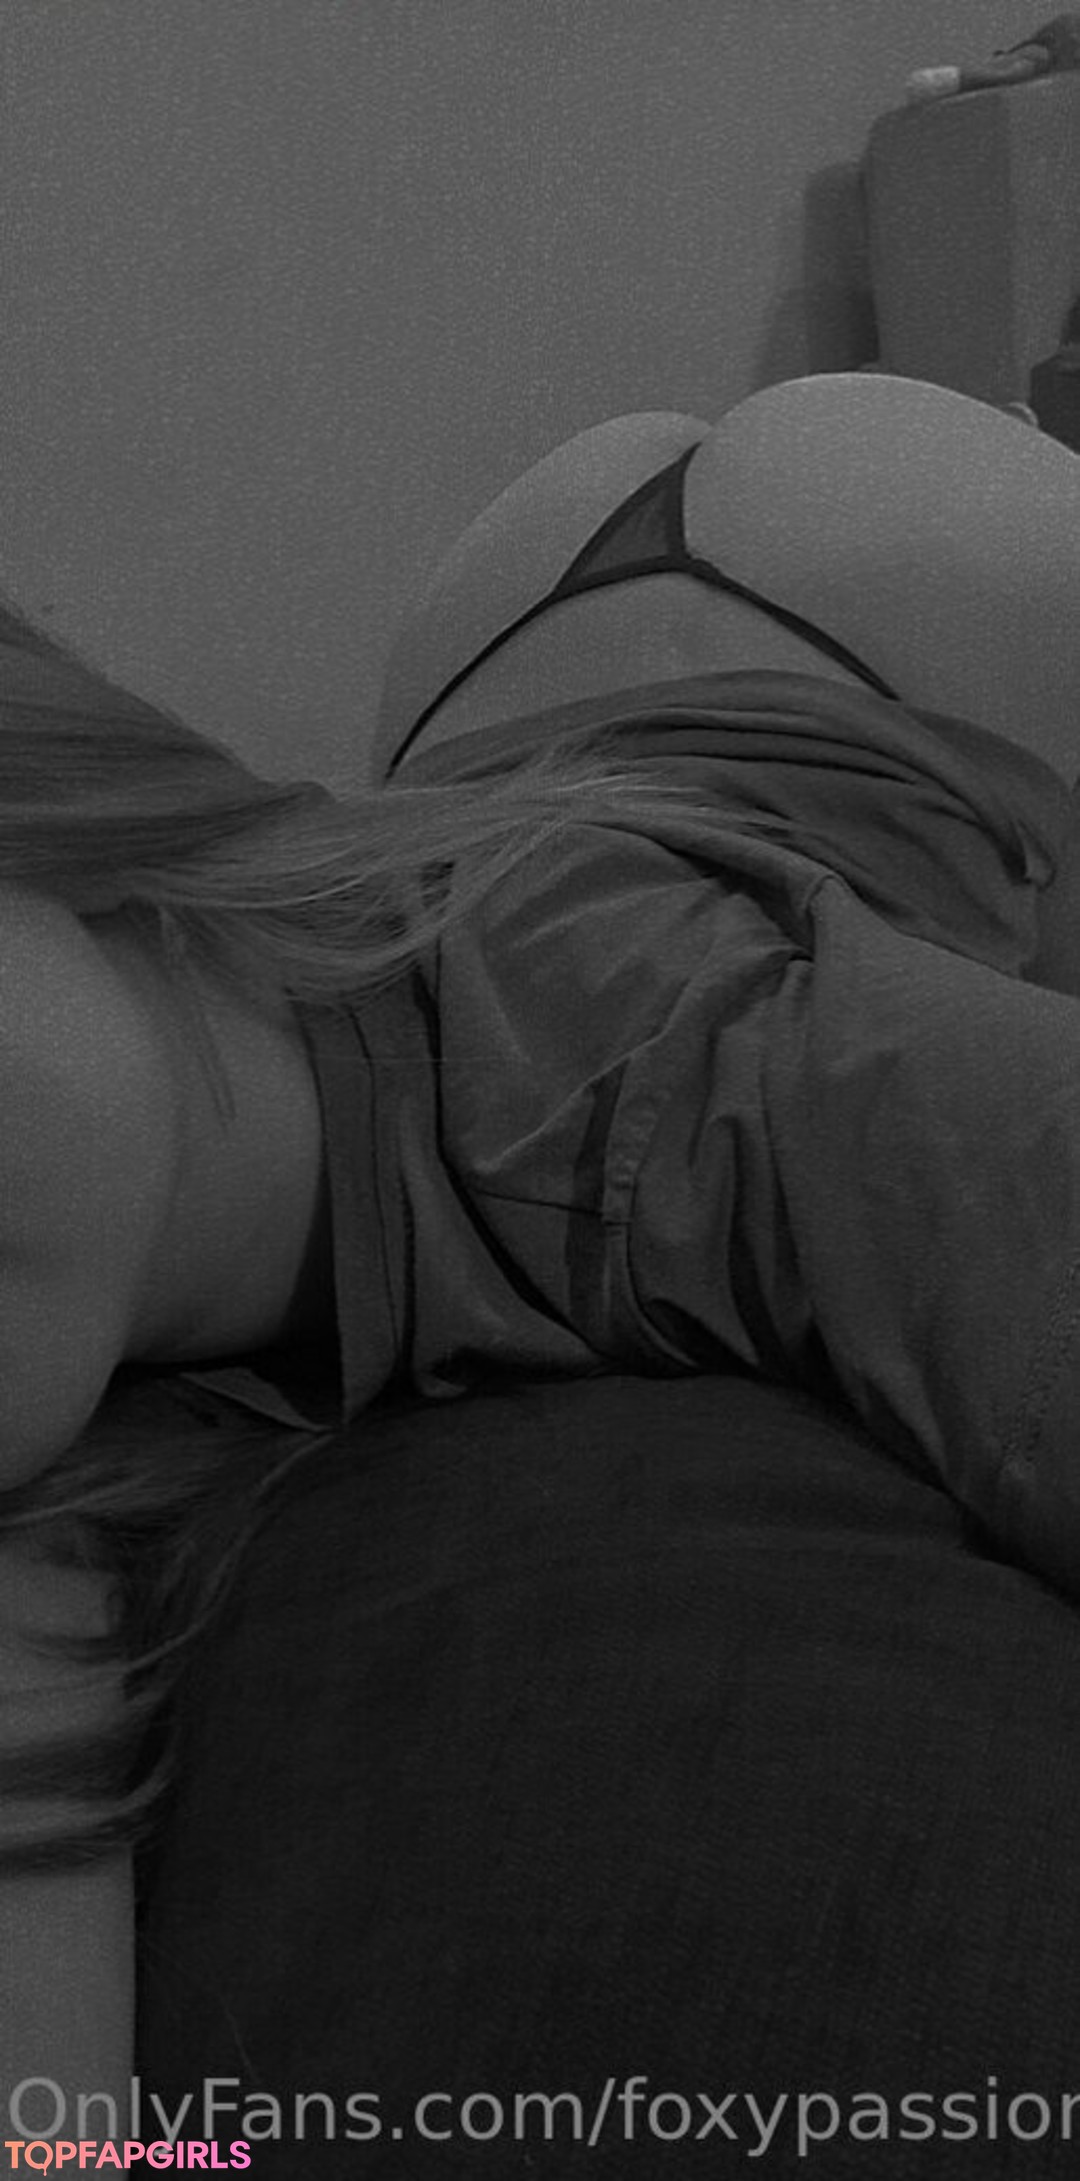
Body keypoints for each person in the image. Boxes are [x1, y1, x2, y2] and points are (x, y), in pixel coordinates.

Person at [2, 369, 1080, 2110]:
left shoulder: (639, 1047)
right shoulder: (41, 1431)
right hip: (506, 680)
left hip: (889, 640)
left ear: (50, 814)